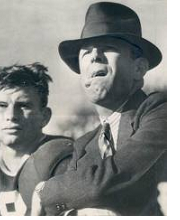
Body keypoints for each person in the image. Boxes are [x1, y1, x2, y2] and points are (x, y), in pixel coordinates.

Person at [32, 2, 167, 216]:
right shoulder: (83, 145)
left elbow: (102, 185)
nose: (94, 56)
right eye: (86, 53)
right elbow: (65, 205)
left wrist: (44, 192)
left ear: (139, 68)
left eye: (108, 47)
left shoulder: (160, 111)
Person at [0, 63, 73, 216]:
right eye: (2, 105)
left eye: (23, 105)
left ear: (45, 116)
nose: (11, 115)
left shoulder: (67, 159)